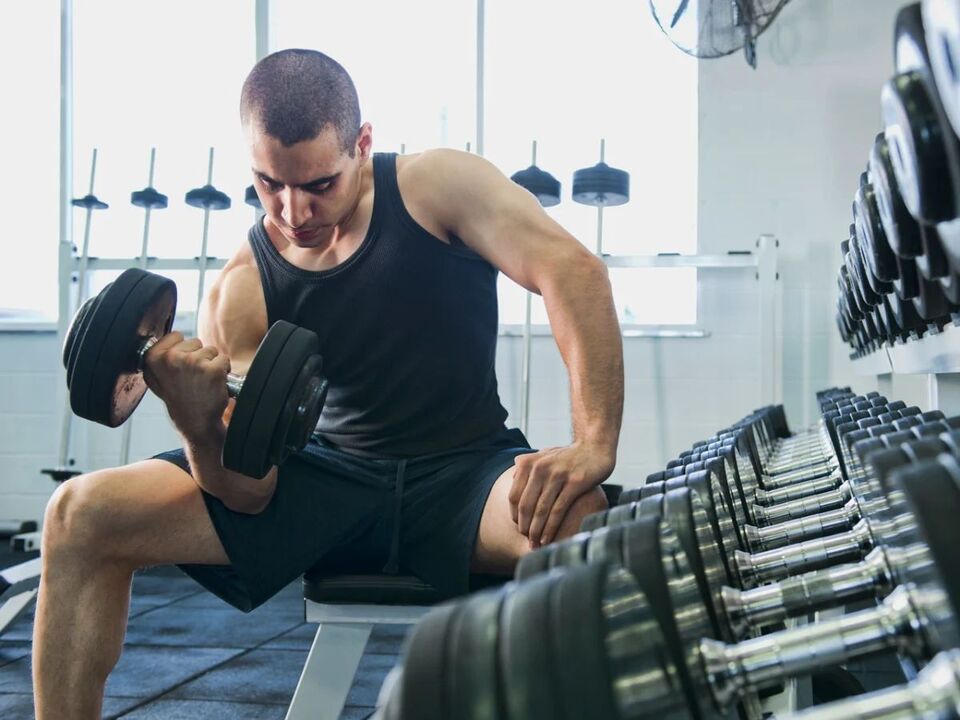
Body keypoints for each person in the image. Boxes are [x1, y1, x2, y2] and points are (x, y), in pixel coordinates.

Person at [32, 48, 624, 719]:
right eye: (268, 185)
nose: (293, 211)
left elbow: (572, 271)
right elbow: (251, 492)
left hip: (463, 472)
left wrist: (593, 441)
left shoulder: (436, 187)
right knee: (80, 515)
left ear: (362, 144)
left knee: (581, 521)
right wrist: (195, 423)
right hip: (322, 482)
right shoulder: (242, 286)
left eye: (319, 185)